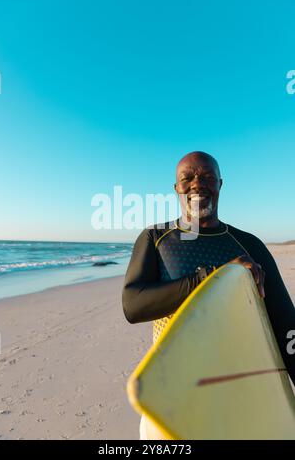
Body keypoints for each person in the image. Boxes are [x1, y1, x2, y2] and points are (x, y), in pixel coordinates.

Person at [122, 151, 295, 439]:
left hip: (241, 390)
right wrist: (209, 276)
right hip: (173, 395)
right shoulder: (157, 238)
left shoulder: (249, 244)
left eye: (207, 177)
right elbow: (133, 304)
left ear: (220, 184)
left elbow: (287, 326)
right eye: (186, 178)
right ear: (176, 188)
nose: (196, 184)